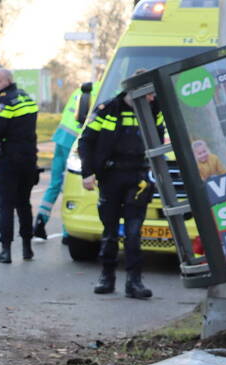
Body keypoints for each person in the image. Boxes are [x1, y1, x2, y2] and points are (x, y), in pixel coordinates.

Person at [77, 71, 162, 299]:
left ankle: (134, 282)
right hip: (111, 176)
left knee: (134, 233)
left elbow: (160, 143)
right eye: (150, 93)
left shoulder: (154, 110)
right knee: (110, 231)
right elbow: (86, 141)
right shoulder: (108, 109)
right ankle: (107, 277)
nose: (153, 98)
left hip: (139, 178)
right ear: (136, 91)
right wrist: (88, 173)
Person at [0, 68, 39, 264]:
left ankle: (6, 251)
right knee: (24, 204)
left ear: (7, 81)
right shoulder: (26, 97)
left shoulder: (4, 100)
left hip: (8, 161)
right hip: (28, 160)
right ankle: (27, 248)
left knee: (6, 205)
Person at [34, 85, 85, 240]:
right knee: (70, 187)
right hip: (75, 142)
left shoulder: (80, 90)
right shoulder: (102, 91)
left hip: (62, 137)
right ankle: (67, 232)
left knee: (55, 183)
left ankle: (40, 219)